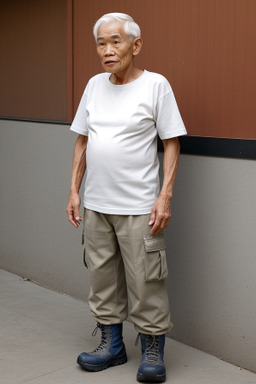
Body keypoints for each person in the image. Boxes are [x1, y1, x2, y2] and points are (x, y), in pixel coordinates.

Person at [66, 12, 187, 383]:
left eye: (115, 41)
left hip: (139, 206)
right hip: (96, 204)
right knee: (102, 279)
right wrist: (74, 189)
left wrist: (164, 196)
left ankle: (152, 349)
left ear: (136, 45)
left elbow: (171, 143)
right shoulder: (93, 85)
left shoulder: (156, 86)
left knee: (147, 281)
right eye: (101, 43)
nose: (107, 50)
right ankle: (112, 346)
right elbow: (83, 139)